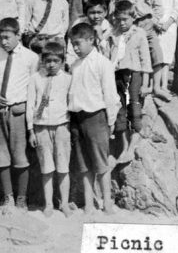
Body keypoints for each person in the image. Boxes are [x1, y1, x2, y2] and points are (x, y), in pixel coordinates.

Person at [0, 17, 39, 213]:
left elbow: (33, 88)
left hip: (19, 112)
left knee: (20, 155)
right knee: (1, 156)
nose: (3, 41)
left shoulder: (31, 58)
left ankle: (22, 198)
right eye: (0, 38)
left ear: (18, 36)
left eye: (7, 37)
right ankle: (9, 198)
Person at [68, 23, 120, 214]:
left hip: (96, 117)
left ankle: (107, 202)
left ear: (91, 40)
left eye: (78, 43)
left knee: (101, 163)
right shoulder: (74, 65)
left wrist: (111, 121)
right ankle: (89, 204)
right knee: (83, 164)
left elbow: (110, 94)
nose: (75, 47)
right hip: (77, 118)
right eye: (72, 44)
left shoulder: (102, 63)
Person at [110, 0, 168, 101]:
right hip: (129, 26)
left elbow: (158, 7)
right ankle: (136, 85)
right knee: (133, 55)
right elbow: (118, 7)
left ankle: (156, 86)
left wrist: (153, 22)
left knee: (155, 51)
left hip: (146, 23)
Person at [27, 42, 73, 217]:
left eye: (55, 60)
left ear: (62, 61)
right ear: (42, 60)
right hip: (41, 128)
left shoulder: (68, 79)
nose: (51, 64)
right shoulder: (36, 78)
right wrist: (31, 130)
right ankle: (48, 204)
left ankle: (65, 203)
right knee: (47, 168)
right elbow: (31, 105)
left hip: (62, 127)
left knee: (63, 167)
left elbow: (71, 103)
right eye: (47, 60)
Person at [107, 0, 151, 164]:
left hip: (134, 73)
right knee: (120, 110)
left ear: (133, 17)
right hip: (117, 75)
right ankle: (124, 147)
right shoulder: (114, 33)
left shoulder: (139, 33)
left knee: (134, 106)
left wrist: (146, 83)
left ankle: (132, 147)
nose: (122, 22)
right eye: (119, 19)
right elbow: (110, 55)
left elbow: (145, 60)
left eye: (125, 19)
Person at [153, 0, 178, 97]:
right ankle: (155, 85)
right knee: (156, 55)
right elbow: (150, 8)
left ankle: (164, 85)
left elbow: (177, 10)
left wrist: (167, 23)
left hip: (169, 27)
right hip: (155, 26)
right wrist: (155, 23)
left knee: (166, 57)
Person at [66, 0, 112, 67]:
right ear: (86, 13)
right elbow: (71, 49)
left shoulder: (109, 29)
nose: (96, 16)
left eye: (99, 12)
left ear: (105, 13)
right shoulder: (79, 23)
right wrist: (72, 65)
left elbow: (108, 55)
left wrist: (101, 38)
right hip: (80, 64)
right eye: (92, 13)